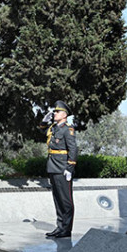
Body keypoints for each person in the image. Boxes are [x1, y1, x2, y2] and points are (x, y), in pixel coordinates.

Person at [39, 101, 78, 238]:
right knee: (57, 199)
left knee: (66, 200)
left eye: (57, 112)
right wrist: (44, 121)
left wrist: (70, 168)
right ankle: (60, 227)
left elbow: (73, 149)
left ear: (64, 115)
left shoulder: (68, 129)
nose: (54, 113)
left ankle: (66, 229)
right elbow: (42, 130)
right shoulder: (54, 128)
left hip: (62, 168)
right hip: (53, 167)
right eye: (54, 111)